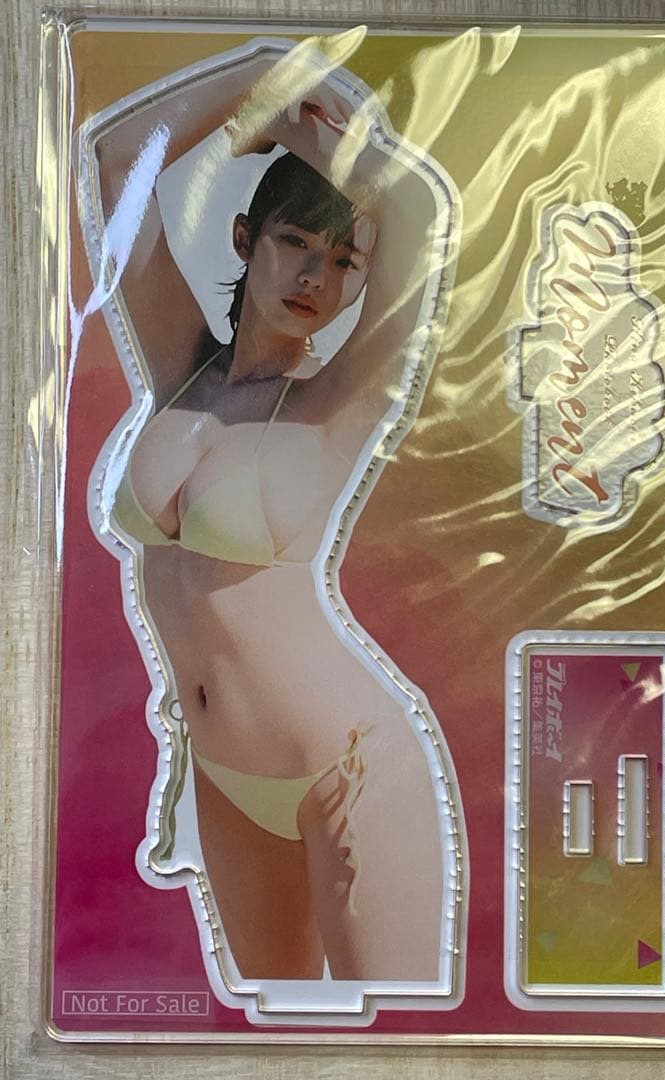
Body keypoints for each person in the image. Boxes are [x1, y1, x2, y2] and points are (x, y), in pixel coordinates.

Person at [92, 46, 462, 990]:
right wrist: (265, 73)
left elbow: (420, 218)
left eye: (344, 261)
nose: (316, 277)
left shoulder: (339, 398)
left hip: (349, 769)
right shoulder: (183, 371)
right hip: (225, 776)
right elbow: (117, 161)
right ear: (245, 237)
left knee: (397, 1038)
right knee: (281, 1028)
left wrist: (320, 139)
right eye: (297, 242)